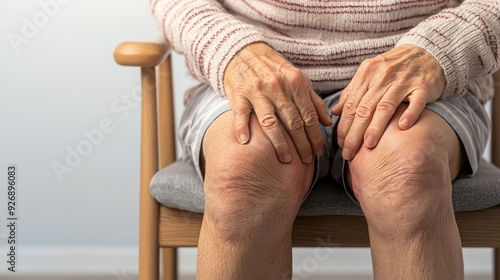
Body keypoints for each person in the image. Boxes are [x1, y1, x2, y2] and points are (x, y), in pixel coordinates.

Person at [151, 0, 499, 279]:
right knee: (241, 174)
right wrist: (233, 51)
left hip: (422, 75)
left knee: (406, 171)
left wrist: (442, 49)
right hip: (249, 74)